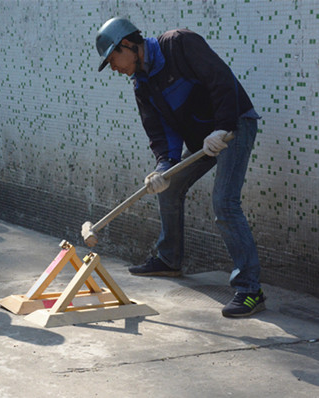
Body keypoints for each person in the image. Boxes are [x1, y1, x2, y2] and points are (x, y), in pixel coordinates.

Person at [95, 17, 265, 318]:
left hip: (234, 126)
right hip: (204, 140)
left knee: (224, 203)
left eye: (113, 59)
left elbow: (221, 80)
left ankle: (251, 289)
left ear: (129, 45)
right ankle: (169, 259)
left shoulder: (179, 44)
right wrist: (163, 167)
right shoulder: (142, 85)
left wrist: (223, 126)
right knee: (167, 187)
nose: (114, 68)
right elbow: (160, 134)